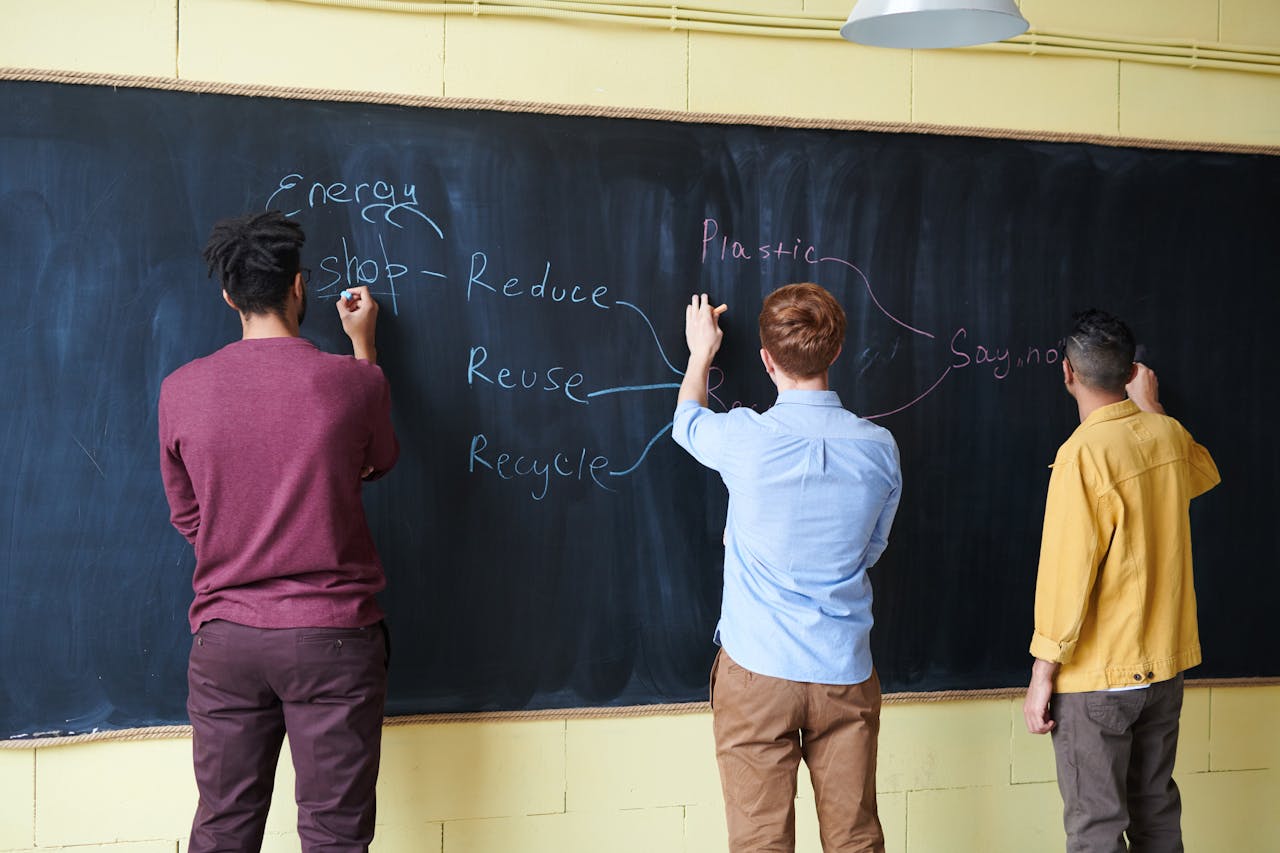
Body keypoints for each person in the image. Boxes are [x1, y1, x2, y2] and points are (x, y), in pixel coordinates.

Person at [159, 211, 399, 852]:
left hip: (226, 639)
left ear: (229, 296)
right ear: (300, 288)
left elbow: (187, 515)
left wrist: (239, 549)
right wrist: (364, 346)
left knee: (224, 827)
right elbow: (377, 458)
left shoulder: (181, 389)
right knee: (334, 834)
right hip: (334, 638)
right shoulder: (354, 384)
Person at [672, 284, 902, 853]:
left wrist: (701, 351)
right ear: (836, 352)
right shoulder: (879, 448)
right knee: (854, 840)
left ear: (767, 360)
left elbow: (686, 424)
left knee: (759, 843)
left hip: (757, 671)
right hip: (843, 668)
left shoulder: (744, 437)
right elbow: (872, 549)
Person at [1023, 309, 1220, 853]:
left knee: (1095, 828)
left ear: (1067, 373)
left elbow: (1067, 575)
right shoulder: (1167, 435)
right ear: (1133, 371)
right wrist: (1152, 408)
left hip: (1098, 677)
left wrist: (1044, 673)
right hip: (1164, 668)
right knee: (1157, 812)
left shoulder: (1081, 455)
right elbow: (1203, 474)